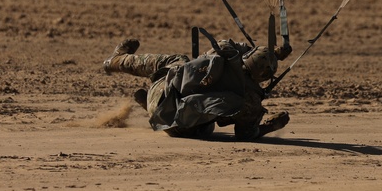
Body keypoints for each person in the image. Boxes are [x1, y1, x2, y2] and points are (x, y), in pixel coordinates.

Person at [103, 35, 291, 140]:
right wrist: (270, 126)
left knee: (177, 62)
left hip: (161, 90)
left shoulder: (222, 52)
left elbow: (237, 47)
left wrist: (273, 51)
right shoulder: (251, 100)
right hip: (177, 129)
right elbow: (245, 135)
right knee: (208, 125)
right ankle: (154, 110)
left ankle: (117, 61)